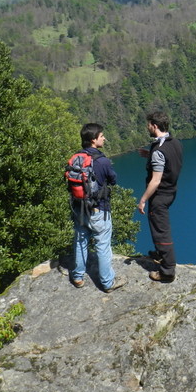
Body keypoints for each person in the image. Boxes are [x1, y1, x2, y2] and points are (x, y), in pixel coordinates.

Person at [70, 123, 126, 293]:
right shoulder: (102, 161)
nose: (104, 138)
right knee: (102, 244)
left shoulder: (75, 158)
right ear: (94, 140)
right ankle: (107, 282)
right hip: (98, 210)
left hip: (78, 208)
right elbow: (113, 180)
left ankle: (78, 277)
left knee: (80, 241)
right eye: (102, 136)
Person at [137, 111, 183, 283]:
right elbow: (169, 161)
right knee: (157, 226)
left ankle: (167, 270)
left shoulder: (159, 150)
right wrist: (149, 155)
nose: (147, 127)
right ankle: (160, 253)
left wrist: (143, 200)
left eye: (148, 125)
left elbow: (155, 181)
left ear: (154, 126)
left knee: (160, 231)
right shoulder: (175, 143)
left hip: (160, 195)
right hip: (171, 191)